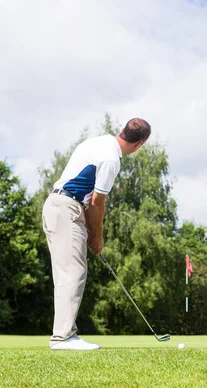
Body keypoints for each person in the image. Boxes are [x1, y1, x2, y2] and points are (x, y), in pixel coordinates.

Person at [41, 118, 151, 350]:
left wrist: (89, 230)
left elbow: (90, 200)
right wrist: (97, 236)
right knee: (72, 272)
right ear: (139, 144)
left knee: (67, 272)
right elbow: (98, 202)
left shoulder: (97, 142)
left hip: (60, 205)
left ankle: (65, 335)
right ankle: (63, 338)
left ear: (122, 130)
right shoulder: (111, 159)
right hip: (67, 207)